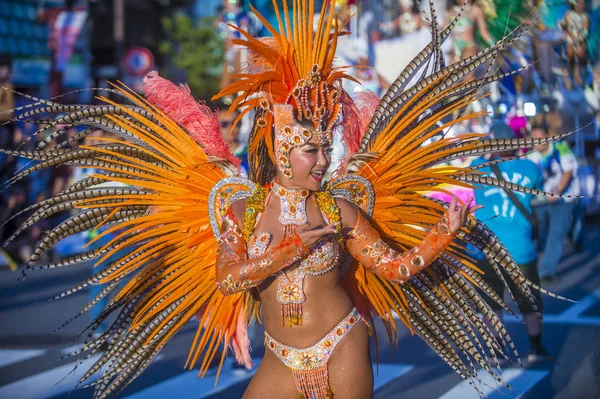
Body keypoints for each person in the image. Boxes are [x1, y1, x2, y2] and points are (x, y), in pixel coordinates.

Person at [2, 1, 565, 398]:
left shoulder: (343, 206)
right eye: (309, 151)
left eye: (325, 148)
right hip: (279, 357)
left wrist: (445, 233)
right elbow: (229, 279)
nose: (321, 160)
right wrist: (292, 247)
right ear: (279, 149)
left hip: (342, 344)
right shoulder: (240, 208)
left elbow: (395, 269)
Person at [472, 122, 552, 364]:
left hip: (486, 248)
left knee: (490, 304)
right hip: (520, 248)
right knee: (529, 304)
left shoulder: (477, 168)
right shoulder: (530, 168)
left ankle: (497, 352)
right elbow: (539, 197)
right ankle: (536, 348)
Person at [528, 123, 579, 283]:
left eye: (539, 137)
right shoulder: (530, 154)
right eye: (533, 137)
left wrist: (557, 191)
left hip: (563, 198)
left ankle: (546, 271)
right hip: (541, 201)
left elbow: (568, 172)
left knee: (557, 233)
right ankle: (536, 263)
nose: (536, 141)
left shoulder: (560, 147)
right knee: (540, 233)